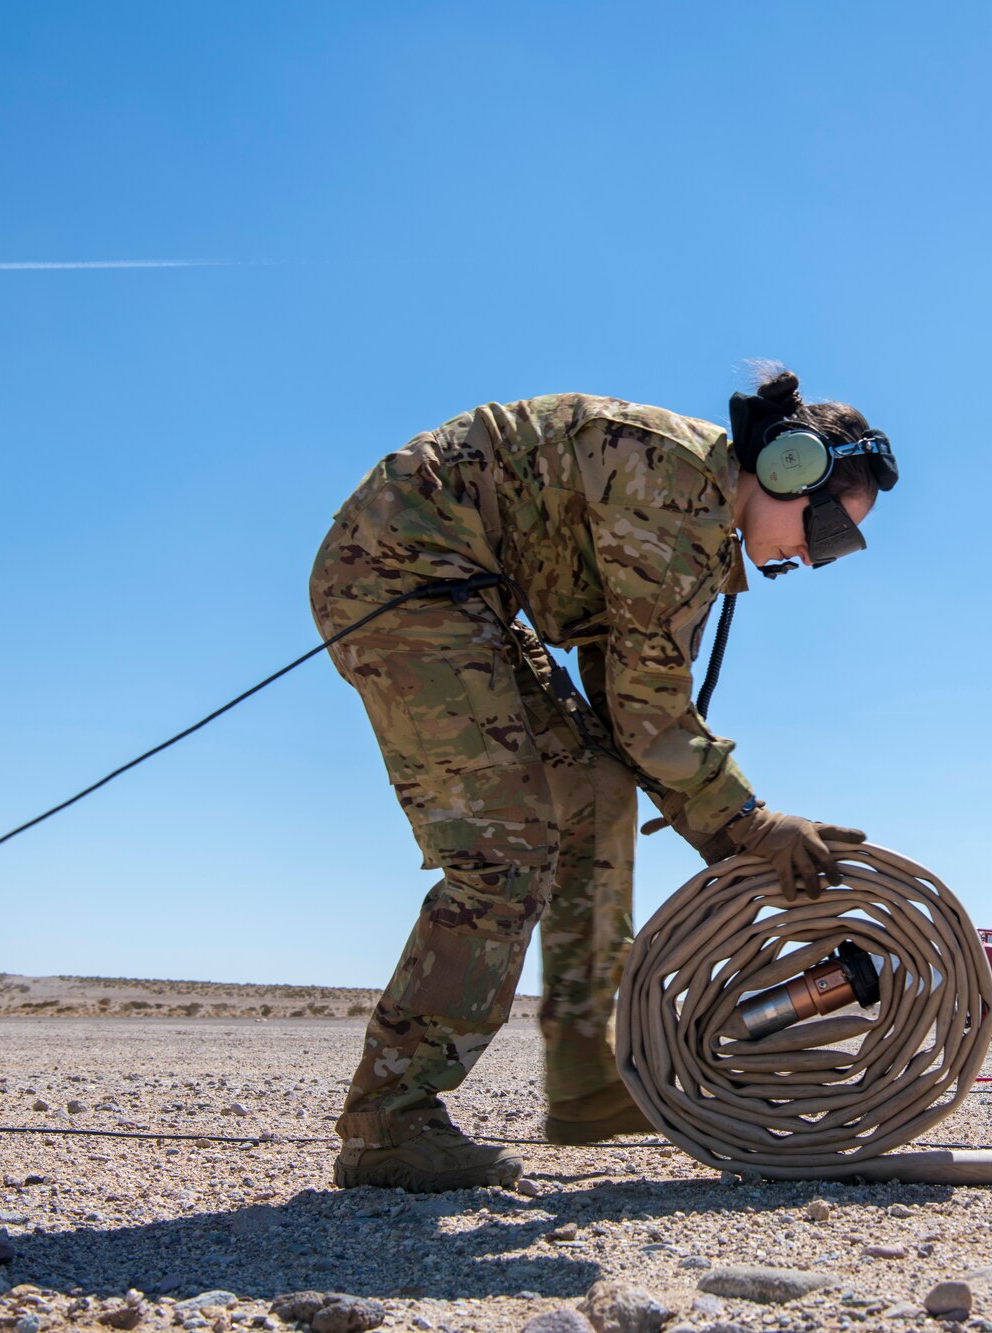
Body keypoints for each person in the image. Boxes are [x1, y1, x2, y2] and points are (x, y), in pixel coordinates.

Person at [307, 366, 898, 1192]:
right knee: (504, 848)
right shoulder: (674, 493)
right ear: (786, 468)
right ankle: (388, 1121)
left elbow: (633, 723)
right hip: (402, 576)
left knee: (590, 784)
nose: (814, 554)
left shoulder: (697, 527)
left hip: (465, 594)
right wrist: (753, 824)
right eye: (826, 527)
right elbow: (650, 709)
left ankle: (587, 1077)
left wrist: (738, 832)